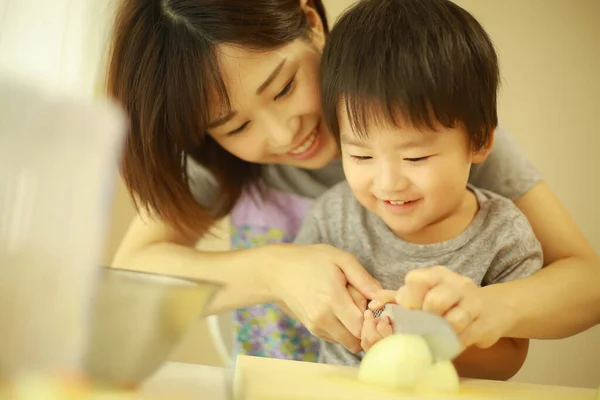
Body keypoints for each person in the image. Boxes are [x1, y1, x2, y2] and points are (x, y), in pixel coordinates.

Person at [107, 0, 600, 365]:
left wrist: (487, 311)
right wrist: (276, 269)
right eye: (236, 126)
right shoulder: (222, 162)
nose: (284, 133)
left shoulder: (433, 132)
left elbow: (586, 281)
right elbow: (132, 275)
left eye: (283, 87)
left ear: (311, 21)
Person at [293, 0, 542, 380]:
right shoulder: (334, 215)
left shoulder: (504, 235)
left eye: (416, 158)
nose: (388, 182)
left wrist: (424, 337)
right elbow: (303, 300)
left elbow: (509, 360)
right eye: (360, 156)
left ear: (478, 141)